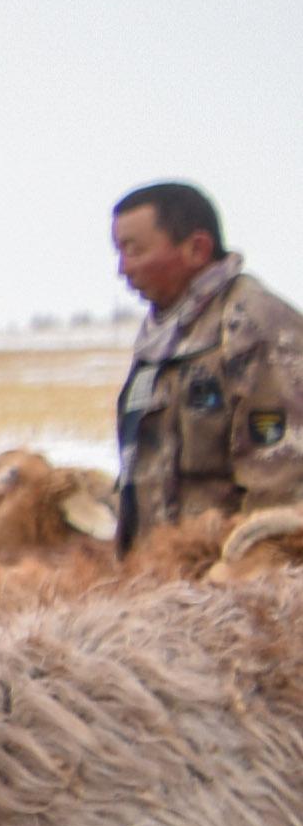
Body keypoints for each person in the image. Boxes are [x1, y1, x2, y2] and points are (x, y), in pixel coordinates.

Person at [111, 178, 299, 549]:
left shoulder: (253, 326)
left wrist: (244, 575)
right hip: (159, 580)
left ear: (197, 249)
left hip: (226, 584)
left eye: (134, 250)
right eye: (118, 251)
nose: (123, 268)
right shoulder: (161, 340)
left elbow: (282, 482)